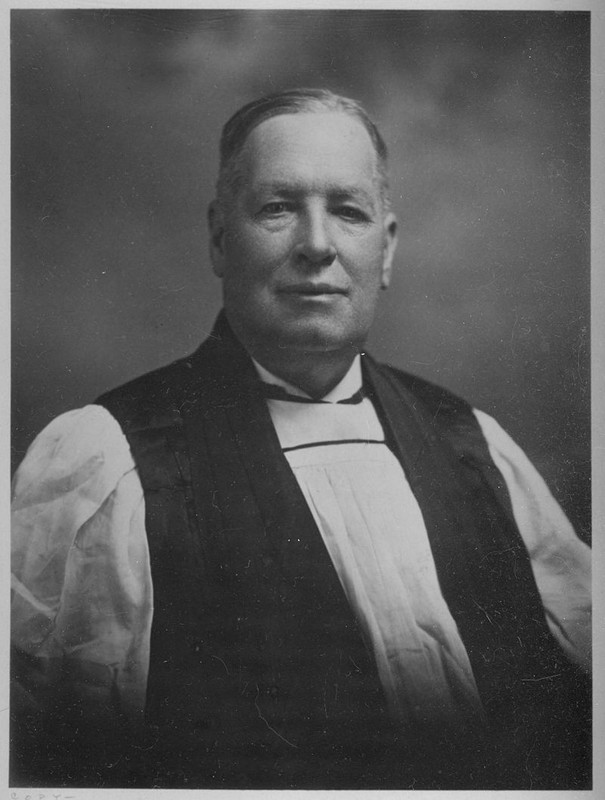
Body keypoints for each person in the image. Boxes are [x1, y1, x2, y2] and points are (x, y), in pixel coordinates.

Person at [11, 88, 591, 790]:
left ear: (386, 247)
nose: (316, 246)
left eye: (347, 211)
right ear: (221, 239)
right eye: (277, 208)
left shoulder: (473, 446)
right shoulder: (110, 461)